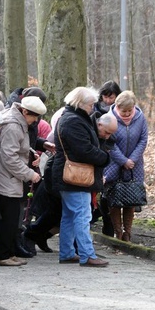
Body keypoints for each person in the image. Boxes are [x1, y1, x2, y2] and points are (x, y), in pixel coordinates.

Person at [0, 96, 45, 266]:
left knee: (10, 218)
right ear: (25, 111)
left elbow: (14, 149)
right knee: (9, 218)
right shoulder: (14, 126)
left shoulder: (15, 122)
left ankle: (5, 252)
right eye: (34, 116)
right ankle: (2, 255)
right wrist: (29, 174)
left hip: (6, 177)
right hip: (5, 179)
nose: (35, 121)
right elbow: (9, 157)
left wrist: (30, 152)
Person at [51, 87, 111, 267]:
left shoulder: (70, 118)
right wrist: (105, 157)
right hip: (76, 177)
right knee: (82, 215)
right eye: (91, 104)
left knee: (70, 215)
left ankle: (67, 252)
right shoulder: (74, 121)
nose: (93, 108)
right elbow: (84, 150)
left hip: (68, 175)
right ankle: (87, 254)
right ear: (81, 104)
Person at [103, 90, 148, 242]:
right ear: (117, 107)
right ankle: (118, 232)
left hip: (135, 165)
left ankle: (127, 233)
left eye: (130, 110)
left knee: (131, 198)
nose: (128, 114)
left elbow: (143, 139)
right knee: (115, 199)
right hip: (113, 164)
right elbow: (109, 143)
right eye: (124, 111)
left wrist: (132, 160)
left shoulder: (140, 118)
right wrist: (123, 161)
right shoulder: (108, 118)